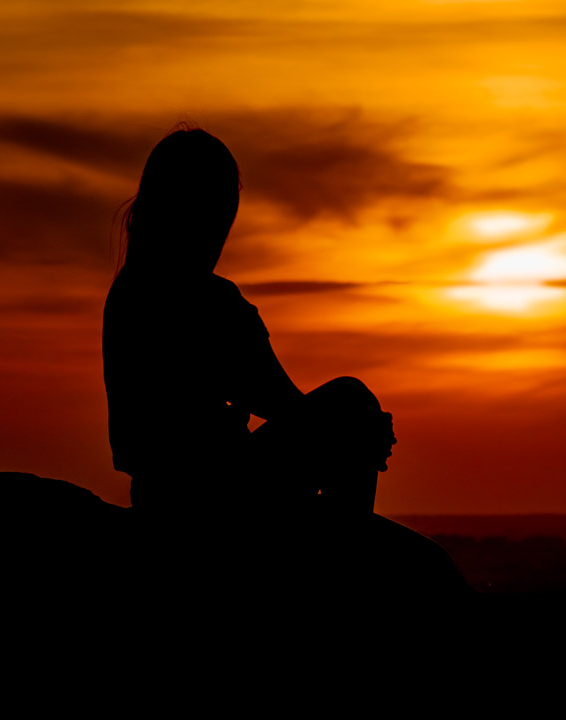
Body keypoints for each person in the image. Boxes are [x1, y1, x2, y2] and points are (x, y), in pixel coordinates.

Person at [103, 127, 464, 594]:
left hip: (169, 504)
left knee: (354, 420)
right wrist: (359, 428)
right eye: (216, 208)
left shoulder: (129, 294)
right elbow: (289, 408)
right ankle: (343, 568)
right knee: (351, 403)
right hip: (216, 509)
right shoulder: (205, 302)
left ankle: (343, 555)